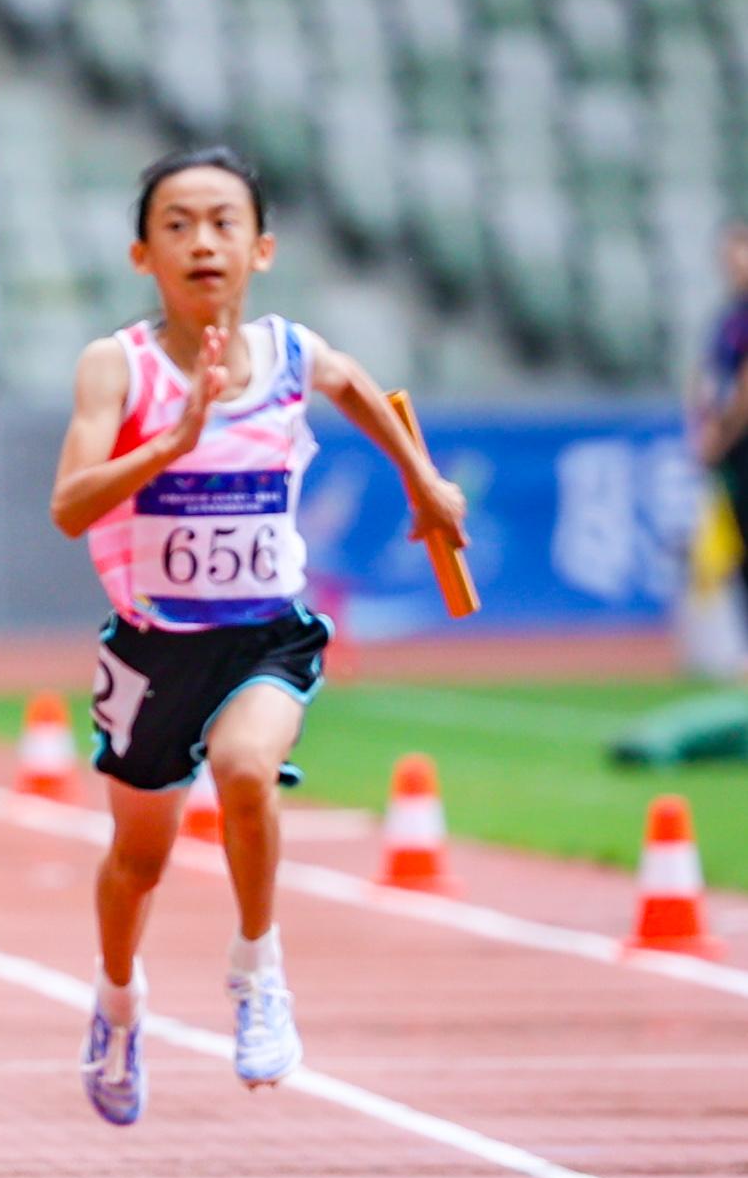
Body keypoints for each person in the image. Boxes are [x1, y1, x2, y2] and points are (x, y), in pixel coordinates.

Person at [50, 147, 467, 1126]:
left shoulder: (287, 353)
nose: (202, 242)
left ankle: (258, 971)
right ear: (141, 253)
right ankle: (117, 1003)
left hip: (264, 637)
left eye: (223, 223)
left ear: (261, 248)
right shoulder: (116, 366)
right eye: (178, 225)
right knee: (137, 861)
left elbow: (356, 383)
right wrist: (169, 444)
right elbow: (69, 506)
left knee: (244, 772)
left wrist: (421, 479)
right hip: (155, 648)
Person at [689, 224, 748, 630]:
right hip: (730, 444)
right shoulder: (728, 316)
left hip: (739, 440)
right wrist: (700, 426)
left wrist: (722, 432)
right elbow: (704, 375)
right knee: (739, 540)